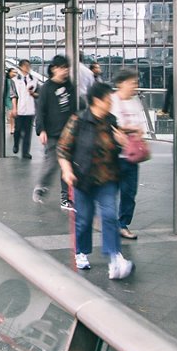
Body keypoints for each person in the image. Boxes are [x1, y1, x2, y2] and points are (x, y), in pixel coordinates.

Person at [58, 82, 133, 280]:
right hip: (83, 179)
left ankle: (114, 256)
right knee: (84, 219)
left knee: (109, 215)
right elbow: (63, 149)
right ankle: (81, 252)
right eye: (108, 99)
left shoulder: (111, 121)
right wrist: (67, 170)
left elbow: (118, 147)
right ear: (97, 101)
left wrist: (123, 143)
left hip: (108, 178)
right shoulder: (79, 120)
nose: (111, 103)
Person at [109, 69, 149, 240]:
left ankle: (123, 224)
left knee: (129, 192)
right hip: (113, 154)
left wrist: (139, 133)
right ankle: (108, 222)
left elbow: (141, 124)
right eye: (132, 82)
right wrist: (132, 128)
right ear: (121, 83)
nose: (135, 86)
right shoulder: (111, 100)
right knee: (110, 191)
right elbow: (111, 125)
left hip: (131, 154)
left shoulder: (135, 102)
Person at [33, 56, 75, 210]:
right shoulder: (47, 87)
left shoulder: (69, 86)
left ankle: (66, 199)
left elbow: (74, 108)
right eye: (62, 67)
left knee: (67, 166)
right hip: (52, 133)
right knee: (52, 163)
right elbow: (40, 110)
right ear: (54, 69)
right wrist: (41, 130)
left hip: (68, 133)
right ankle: (41, 186)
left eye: (67, 67)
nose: (65, 71)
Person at [11, 60, 39, 158]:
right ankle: (16, 144)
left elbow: (38, 94)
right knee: (18, 130)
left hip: (30, 109)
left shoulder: (34, 80)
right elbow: (13, 95)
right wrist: (14, 108)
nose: (27, 68)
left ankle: (25, 152)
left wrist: (33, 93)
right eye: (25, 66)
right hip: (19, 109)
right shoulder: (15, 80)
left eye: (28, 66)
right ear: (20, 67)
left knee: (28, 132)